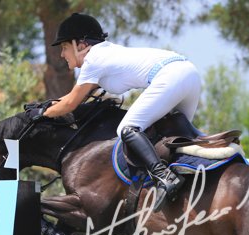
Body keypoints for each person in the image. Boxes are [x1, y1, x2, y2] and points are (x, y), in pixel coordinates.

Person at [42, 12, 202, 211]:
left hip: (172, 76)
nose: (62, 54)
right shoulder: (103, 56)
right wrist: (49, 106)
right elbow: (71, 98)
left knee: (126, 128)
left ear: (80, 45)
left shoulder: (93, 60)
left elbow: (69, 104)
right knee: (175, 135)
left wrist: (41, 115)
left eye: (64, 47)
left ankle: (165, 177)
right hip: (188, 73)